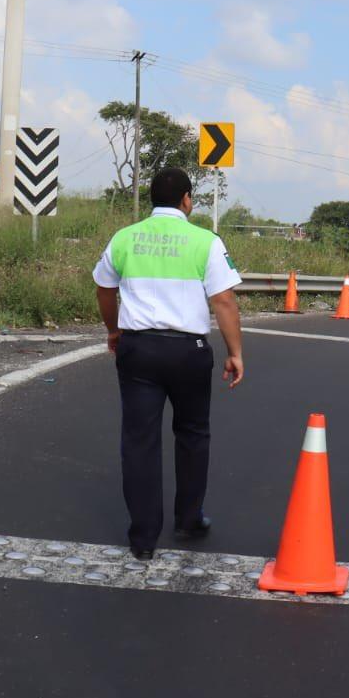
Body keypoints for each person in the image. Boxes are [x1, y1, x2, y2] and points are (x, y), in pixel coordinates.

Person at [93, 167, 244, 560]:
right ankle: (189, 519)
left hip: (138, 350)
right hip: (188, 352)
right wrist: (234, 352)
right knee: (193, 434)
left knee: (139, 441)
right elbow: (224, 301)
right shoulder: (205, 241)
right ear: (187, 199)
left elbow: (104, 287)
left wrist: (114, 330)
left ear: (152, 199)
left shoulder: (124, 238)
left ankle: (143, 539)